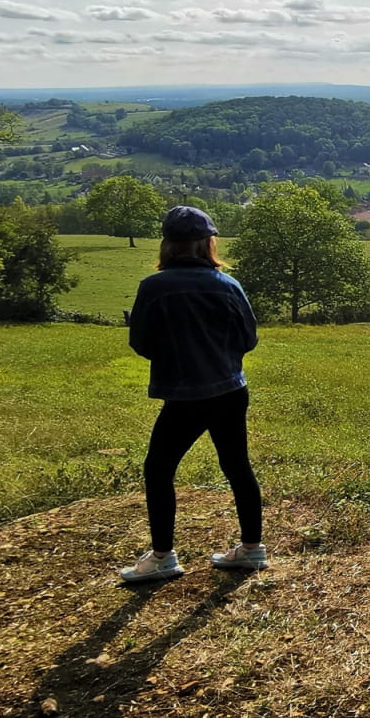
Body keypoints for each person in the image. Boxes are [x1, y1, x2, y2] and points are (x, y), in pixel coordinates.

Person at [119, 205, 266, 582]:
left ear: (167, 244)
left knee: (159, 469)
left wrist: (175, 358)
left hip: (183, 394)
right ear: (208, 243)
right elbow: (248, 338)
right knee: (237, 467)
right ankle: (252, 550)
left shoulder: (153, 287)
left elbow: (140, 342)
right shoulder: (228, 285)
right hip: (230, 389)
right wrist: (221, 358)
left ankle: (164, 556)